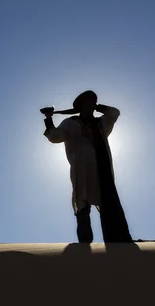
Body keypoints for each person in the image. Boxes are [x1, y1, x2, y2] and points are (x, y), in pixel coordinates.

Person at [42, 90, 133, 243]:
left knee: (108, 204)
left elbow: (114, 113)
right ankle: (85, 244)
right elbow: (54, 137)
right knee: (82, 205)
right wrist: (49, 118)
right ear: (81, 104)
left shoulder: (100, 123)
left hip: (101, 171)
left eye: (94, 101)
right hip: (81, 171)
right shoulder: (71, 123)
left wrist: (99, 107)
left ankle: (117, 239)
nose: (92, 104)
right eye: (89, 101)